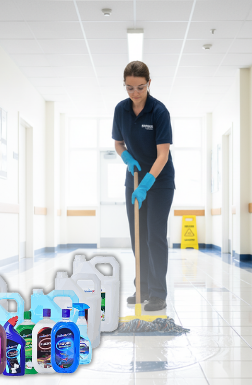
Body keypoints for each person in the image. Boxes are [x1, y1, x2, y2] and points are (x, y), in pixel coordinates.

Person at [112, 61, 175, 311]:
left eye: (140, 87)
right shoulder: (121, 110)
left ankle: (158, 293)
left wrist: (147, 183)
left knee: (154, 237)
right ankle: (143, 288)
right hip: (134, 179)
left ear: (149, 83)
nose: (135, 93)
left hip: (159, 182)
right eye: (129, 88)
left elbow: (163, 155)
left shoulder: (159, 111)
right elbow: (118, 144)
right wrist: (127, 158)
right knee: (138, 237)